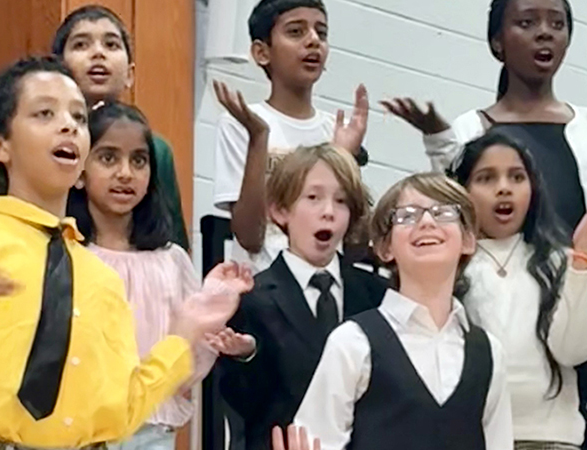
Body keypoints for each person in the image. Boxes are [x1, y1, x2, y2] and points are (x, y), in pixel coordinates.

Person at [0, 56, 254, 450]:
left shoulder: (100, 277)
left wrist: (184, 333)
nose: (68, 125)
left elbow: (121, 413)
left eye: (79, 118)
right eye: (44, 113)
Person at [294, 172, 514, 450]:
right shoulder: (352, 342)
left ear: (468, 240)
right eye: (407, 216)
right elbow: (318, 440)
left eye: (444, 213)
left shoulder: (490, 353)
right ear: (385, 247)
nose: (426, 222)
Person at [209, 143, 386, 450]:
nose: (328, 212)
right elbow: (240, 403)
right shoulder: (253, 297)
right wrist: (247, 356)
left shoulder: (376, 294)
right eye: (313, 198)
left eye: (341, 201)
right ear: (281, 210)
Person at [65, 100, 219, 450]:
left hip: (152, 430)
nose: (125, 173)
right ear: (79, 171)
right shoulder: (66, 253)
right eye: (108, 158)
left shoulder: (171, 260)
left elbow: (192, 345)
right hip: (78, 431)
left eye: (138, 161)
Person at [381, 0, 584, 236]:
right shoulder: (471, 128)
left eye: (557, 24)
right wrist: (439, 140)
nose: (544, 33)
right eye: (527, 23)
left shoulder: (583, 127)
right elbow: (453, 216)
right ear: (497, 42)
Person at [447, 130, 587, 449]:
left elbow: (572, 350)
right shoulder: (449, 266)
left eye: (516, 177)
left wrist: (582, 263)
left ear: (533, 188)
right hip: (472, 437)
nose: (504, 188)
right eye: (486, 178)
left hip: (551, 439)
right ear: (463, 191)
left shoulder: (561, 261)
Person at [212, 0, 370, 273]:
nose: (313, 41)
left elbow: (356, 243)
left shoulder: (336, 130)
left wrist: (345, 158)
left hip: (322, 287)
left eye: (321, 33)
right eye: (296, 32)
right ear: (262, 52)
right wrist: (258, 138)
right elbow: (249, 236)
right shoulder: (242, 123)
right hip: (260, 288)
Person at [51, 4, 190, 251]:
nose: (98, 54)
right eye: (81, 45)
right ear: (58, 70)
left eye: (111, 45)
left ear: (130, 75)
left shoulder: (156, 149)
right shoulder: (44, 142)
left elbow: (172, 237)